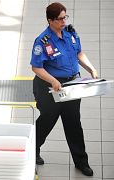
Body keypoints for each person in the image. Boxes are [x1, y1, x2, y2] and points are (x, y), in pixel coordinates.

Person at [31, 2, 98, 177]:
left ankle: (81, 162)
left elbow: (79, 53)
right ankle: (32, 150)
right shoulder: (42, 41)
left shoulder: (70, 33)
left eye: (65, 17)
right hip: (49, 86)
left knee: (74, 123)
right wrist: (53, 80)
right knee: (47, 120)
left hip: (71, 86)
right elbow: (36, 67)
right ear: (50, 20)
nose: (63, 21)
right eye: (60, 19)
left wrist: (90, 68)